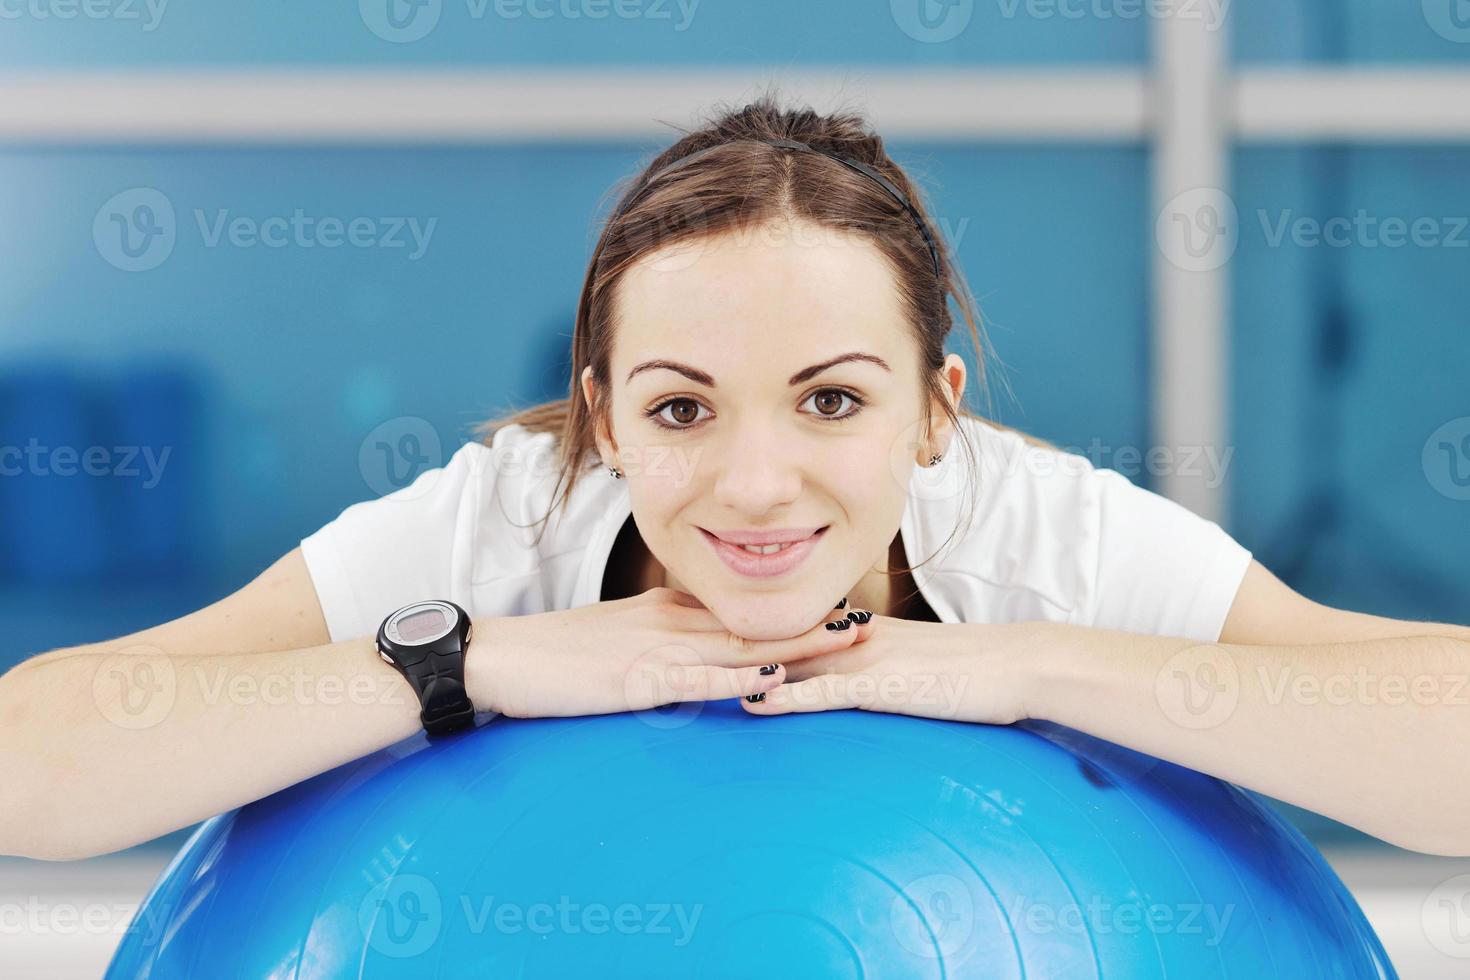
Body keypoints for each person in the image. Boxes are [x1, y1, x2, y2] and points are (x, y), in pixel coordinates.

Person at [4, 93, 1468, 863]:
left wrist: (1034, 666)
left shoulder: (1043, 532)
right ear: (601, 421)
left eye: (831, 399)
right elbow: (34, 766)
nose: (756, 486)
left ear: (932, 415)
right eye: (681, 408)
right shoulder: (500, 518)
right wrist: (470, 663)